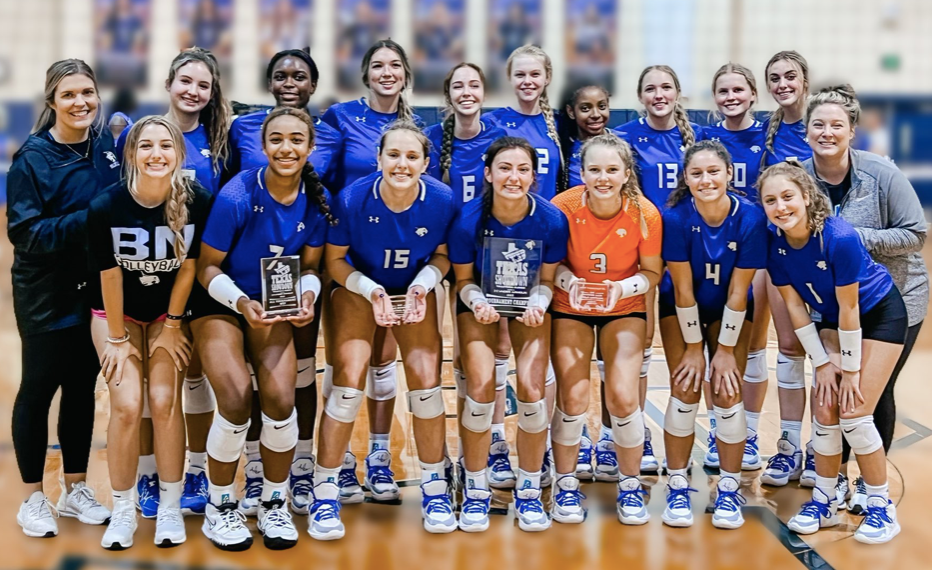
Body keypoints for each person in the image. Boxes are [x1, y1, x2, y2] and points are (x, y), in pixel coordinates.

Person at [193, 107, 331, 551]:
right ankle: (220, 507)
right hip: (222, 302)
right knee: (234, 400)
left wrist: (307, 295)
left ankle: (274, 501)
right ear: (263, 145)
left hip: (273, 305)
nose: (286, 148)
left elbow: (310, 267)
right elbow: (207, 268)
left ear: (310, 148)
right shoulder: (237, 194)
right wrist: (240, 302)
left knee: (280, 399)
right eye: (276, 139)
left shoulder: (315, 198)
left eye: (296, 140)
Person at [311, 121, 456, 538]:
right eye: (393, 155)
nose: (402, 164)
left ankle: (434, 485)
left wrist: (422, 285)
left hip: (413, 288)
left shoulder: (441, 199)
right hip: (359, 288)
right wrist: (371, 290)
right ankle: (325, 489)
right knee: (348, 383)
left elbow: (443, 257)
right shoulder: (353, 197)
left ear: (426, 163)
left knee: (427, 382)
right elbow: (335, 262)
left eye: (412, 157)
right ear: (378, 158)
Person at [759, 162, 906, 545]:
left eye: (788, 197)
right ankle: (824, 499)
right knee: (824, 409)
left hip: (877, 315)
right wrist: (822, 365)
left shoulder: (838, 237)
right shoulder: (774, 244)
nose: (781, 206)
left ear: (806, 197)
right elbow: (795, 310)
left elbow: (851, 310)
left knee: (854, 413)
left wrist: (850, 371)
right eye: (770, 200)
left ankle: (880, 505)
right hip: (829, 318)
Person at [113, 47, 231, 520]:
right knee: (145, 388)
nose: (193, 91)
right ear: (168, 83)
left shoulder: (220, 140)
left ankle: (197, 469)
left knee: (194, 375)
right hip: (141, 279)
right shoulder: (142, 134)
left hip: (192, 277)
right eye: (185, 80)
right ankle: (145, 472)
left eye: (203, 84)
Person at [801, 85, 928, 513]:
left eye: (837, 124)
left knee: (874, 394)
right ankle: (835, 478)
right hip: (834, 305)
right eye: (818, 124)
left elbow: (916, 233)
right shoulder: (800, 181)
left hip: (894, 298)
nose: (827, 131)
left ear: (852, 131)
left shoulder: (882, 173)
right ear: (806, 131)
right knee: (833, 390)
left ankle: (869, 482)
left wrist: (855, 239)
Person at [88, 116, 211, 549]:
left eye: (165, 146)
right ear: (131, 154)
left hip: (167, 316)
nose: (156, 154)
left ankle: (171, 507)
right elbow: (110, 279)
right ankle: (123, 510)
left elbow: (190, 269)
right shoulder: (106, 206)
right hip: (115, 315)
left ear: (179, 153)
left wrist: (175, 325)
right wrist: (119, 340)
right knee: (125, 404)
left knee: (162, 400)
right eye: (145, 146)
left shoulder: (198, 199)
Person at [8, 59, 119, 539]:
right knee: (38, 387)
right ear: (52, 101)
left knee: (81, 388)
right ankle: (32, 496)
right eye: (70, 94)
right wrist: (90, 218)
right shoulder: (31, 158)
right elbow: (26, 233)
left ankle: (75, 489)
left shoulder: (107, 148)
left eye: (88, 92)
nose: (81, 102)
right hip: (45, 290)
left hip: (93, 286)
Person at [226, 47, 334, 518]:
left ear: (313, 84)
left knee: (302, 368)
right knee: (255, 375)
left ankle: (303, 461)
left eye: (301, 76)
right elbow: (235, 183)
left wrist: (310, 282)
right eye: (281, 75)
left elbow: (322, 193)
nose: (291, 82)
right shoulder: (242, 127)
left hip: (303, 259)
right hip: (250, 262)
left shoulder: (330, 135)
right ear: (269, 83)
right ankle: (255, 469)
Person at [319, 39, 423, 503]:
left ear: (405, 74)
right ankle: (340, 462)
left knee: (384, 360)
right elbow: (317, 175)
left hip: (399, 256)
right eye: (377, 65)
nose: (387, 72)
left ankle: (378, 457)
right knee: (348, 360)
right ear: (365, 73)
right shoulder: (340, 117)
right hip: (349, 252)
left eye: (395, 65)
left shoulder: (419, 126)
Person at [449, 136, 568, 532]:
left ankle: (530, 489)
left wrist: (538, 300)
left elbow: (548, 279)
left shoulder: (551, 219)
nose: (513, 176)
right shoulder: (468, 220)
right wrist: (478, 301)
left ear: (533, 176)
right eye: (504, 168)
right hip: (478, 302)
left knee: (533, 391)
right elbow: (462, 280)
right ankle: (477, 488)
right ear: (488, 174)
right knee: (482, 388)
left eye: (522, 169)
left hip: (529, 304)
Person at [549, 133, 661, 525]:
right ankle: (565, 485)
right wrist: (571, 284)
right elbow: (550, 267)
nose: (603, 177)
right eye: (594, 169)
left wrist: (618, 289)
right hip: (571, 306)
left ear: (626, 173)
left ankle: (630, 487)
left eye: (612, 170)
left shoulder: (644, 213)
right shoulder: (561, 208)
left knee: (623, 397)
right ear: (581, 173)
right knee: (574, 396)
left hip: (624, 306)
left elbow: (652, 272)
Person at [658, 140, 767, 530]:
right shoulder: (673, 216)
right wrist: (693, 348)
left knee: (726, 390)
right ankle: (676, 483)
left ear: (729, 175)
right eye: (697, 173)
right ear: (685, 178)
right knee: (685, 387)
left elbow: (740, 291)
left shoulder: (751, 218)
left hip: (731, 308)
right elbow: (683, 288)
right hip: (681, 303)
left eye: (713, 172)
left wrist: (722, 350)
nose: (706, 180)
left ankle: (729, 488)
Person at [425, 63, 509, 488]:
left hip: (492, 253)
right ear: (448, 93)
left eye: (474, 84)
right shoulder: (433, 137)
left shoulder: (500, 137)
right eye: (457, 85)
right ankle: (452, 449)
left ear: (483, 91)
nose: (466, 91)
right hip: (441, 253)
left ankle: (493, 439)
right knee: (452, 351)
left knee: (495, 350)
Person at [614, 65, 699, 472]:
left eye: (666, 87)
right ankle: (639, 437)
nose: (659, 94)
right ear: (640, 96)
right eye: (650, 88)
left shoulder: (698, 138)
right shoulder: (625, 138)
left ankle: (718, 431)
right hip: (641, 250)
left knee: (696, 342)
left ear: (678, 93)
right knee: (641, 344)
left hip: (689, 249)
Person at [556, 81, 627, 479]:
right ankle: (579, 438)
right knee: (572, 372)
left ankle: (615, 437)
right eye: (586, 107)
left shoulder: (634, 201)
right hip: (571, 266)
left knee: (620, 367)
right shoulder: (560, 154)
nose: (595, 114)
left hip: (619, 267)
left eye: (602, 106)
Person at [699, 63, 767, 471]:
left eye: (738, 90)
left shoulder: (767, 136)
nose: (731, 97)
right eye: (723, 91)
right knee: (713, 342)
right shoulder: (706, 138)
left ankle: (751, 429)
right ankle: (717, 426)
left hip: (757, 242)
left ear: (752, 94)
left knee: (753, 344)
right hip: (712, 245)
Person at [757, 51, 815, 489]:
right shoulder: (766, 131)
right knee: (791, 344)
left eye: (789, 76)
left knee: (829, 348)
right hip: (780, 251)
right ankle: (791, 445)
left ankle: (824, 445)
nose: (782, 84)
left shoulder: (823, 124)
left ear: (805, 80)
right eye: (774, 78)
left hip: (825, 254)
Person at [484, 44, 562, 200]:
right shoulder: (492, 122)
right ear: (509, 78)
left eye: (535, 74)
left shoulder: (560, 123)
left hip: (545, 217)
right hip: (506, 215)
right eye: (520, 75)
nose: (527, 81)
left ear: (547, 78)